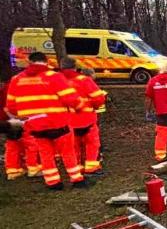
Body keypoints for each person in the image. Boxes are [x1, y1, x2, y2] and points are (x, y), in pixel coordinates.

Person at [5, 52, 89, 189]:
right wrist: (80, 107)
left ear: (29, 62)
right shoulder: (54, 77)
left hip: (34, 124)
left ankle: (53, 182)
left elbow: (11, 107)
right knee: (68, 152)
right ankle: (76, 179)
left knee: (45, 153)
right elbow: (70, 98)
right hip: (58, 122)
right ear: (46, 61)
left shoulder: (16, 79)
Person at [60, 58, 107, 175]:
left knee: (74, 146)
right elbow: (98, 98)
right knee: (92, 144)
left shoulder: (58, 81)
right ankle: (91, 168)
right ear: (75, 67)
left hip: (67, 122)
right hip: (87, 119)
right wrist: (94, 106)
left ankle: (77, 168)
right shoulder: (84, 80)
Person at [1, 81, 40, 179]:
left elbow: (6, 107)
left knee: (12, 145)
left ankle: (12, 170)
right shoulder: (17, 86)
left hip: (8, 121)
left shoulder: (8, 87)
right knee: (31, 144)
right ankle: (33, 168)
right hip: (21, 120)